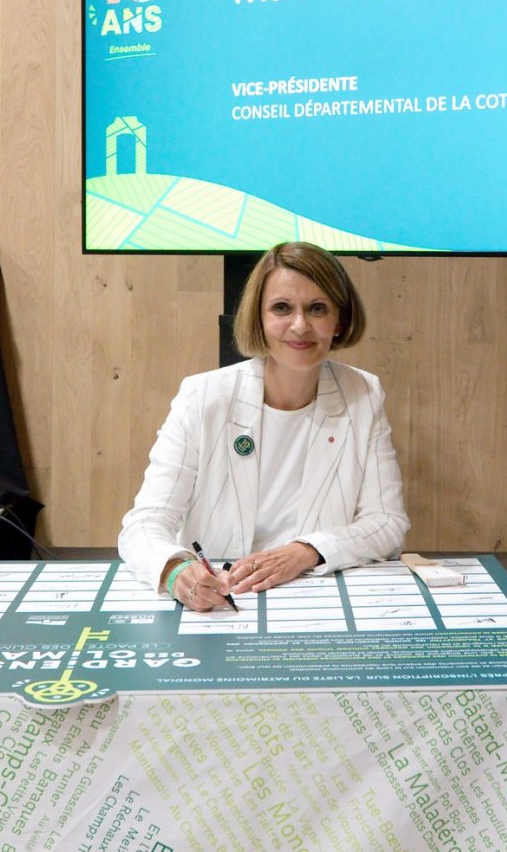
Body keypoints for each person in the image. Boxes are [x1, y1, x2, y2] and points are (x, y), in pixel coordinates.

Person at [119, 241, 409, 610]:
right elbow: (144, 524)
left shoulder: (363, 394)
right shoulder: (203, 396)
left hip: (314, 598)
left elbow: (387, 523)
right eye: (281, 308)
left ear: (339, 321)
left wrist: (306, 551)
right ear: (258, 318)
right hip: (219, 600)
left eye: (317, 308)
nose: (300, 326)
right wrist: (174, 570)